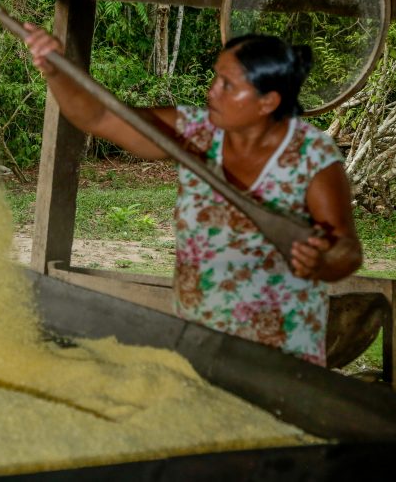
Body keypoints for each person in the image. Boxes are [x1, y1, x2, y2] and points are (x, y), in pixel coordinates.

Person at [24, 25, 362, 365]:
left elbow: (346, 250)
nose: (212, 91)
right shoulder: (197, 133)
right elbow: (99, 116)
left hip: (282, 353)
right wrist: (57, 71)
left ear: (267, 101)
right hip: (200, 343)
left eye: (227, 85)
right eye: (216, 78)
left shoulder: (311, 155)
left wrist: (323, 260)